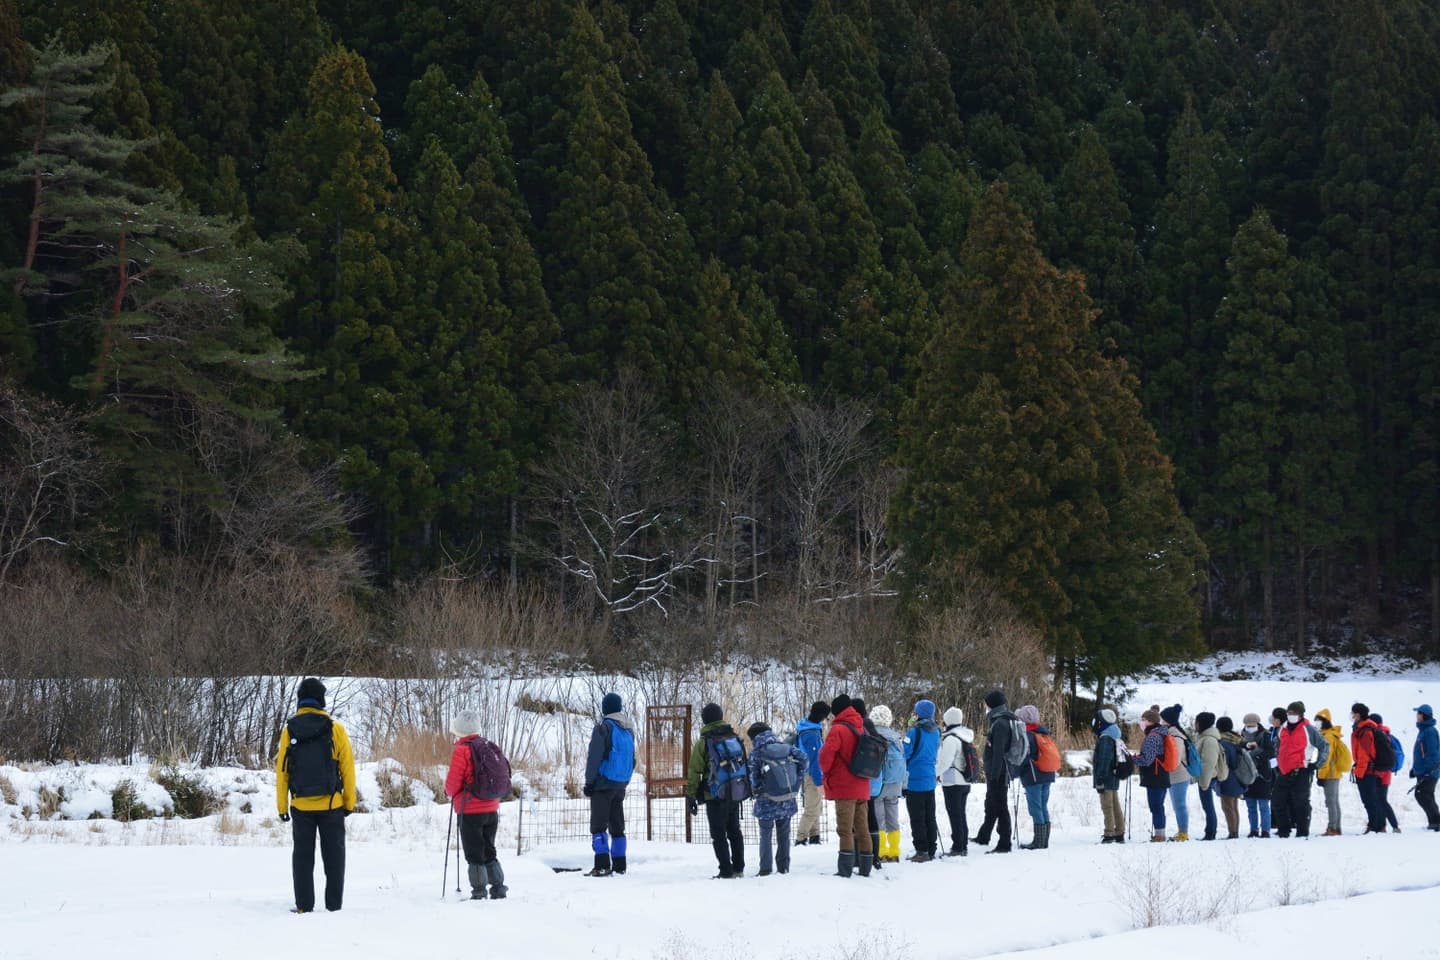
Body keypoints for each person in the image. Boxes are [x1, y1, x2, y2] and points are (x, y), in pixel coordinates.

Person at [275, 677, 357, 914]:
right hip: (332, 804)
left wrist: (282, 806)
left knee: (302, 856)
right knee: (334, 857)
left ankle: (304, 905)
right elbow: (347, 769)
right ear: (321, 700)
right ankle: (334, 906)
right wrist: (349, 802)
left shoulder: (289, 730)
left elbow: (282, 772)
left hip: (301, 805)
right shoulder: (335, 729)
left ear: (301, 699)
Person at [445, 710, 510, 899]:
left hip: (470, 810)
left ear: (458, 729)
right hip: (491, 808)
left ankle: (479, 891)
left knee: (474, 852)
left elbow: (453, 783)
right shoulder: (488, 745)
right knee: (489, 848)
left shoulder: (462, 750)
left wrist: (448, 792)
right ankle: (498, 887)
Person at [687, 702, 747, 878]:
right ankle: (739, 868)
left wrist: (690, 794)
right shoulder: (733, 737)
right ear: (720, 717)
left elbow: (694, 770)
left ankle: (726, 870)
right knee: (735, 831)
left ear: (705, 720)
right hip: (735, 792)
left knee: (718, 834)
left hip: (714, 794)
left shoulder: (704, 742)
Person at [818, 694, 875, 877]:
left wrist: (827, 773)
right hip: (862, 784)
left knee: (845, 829)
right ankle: (866, 867)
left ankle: (845, 869)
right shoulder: (862, 726)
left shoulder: (838, 729)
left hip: (845, 787)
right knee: (862, 828)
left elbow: (825, 758)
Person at [583, 691, 636, 876]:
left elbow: (594, 758)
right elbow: (633, 760)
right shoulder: (628, 729)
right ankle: (620, 865)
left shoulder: (603, 728)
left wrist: (589, 782)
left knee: (598, 826)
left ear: (605, 708)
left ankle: (602, 864)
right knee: (617, 826)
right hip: (620, 784)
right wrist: (625, 780)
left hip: (602, 784)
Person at [746, 721, 807, 876]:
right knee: (784, 834)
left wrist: (758, 790)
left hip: (766, 801)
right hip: (787, 798)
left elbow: (753, 777)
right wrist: (796, 783)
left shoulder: (757, 753)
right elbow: (804, 759)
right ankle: (783, 867)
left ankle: (765, 869)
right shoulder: (787, 748)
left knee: (765, 834)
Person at [972, 689, 1017, 854]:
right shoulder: (999, 719)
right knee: (991, 804)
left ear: (992, 704)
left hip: (998, 773)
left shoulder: (1000, 724)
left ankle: (1005, 843)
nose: (984, 706)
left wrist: (994, 774)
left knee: (1000, 806)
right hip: (997, 771)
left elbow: (998, 751)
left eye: (986, 704)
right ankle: (983, 836)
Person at [1272, 700, 1322, 838]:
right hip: (1283, 771)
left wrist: (1316, 764)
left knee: (1301, 803)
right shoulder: (1283, 728)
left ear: (1300, 714)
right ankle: (1284, 830)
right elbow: (1277, 745)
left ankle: (1302, 831)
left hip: (1301, 770)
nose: (1290, 715)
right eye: (1288, 712)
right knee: (1277, 802)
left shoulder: (1309, 729)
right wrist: (1277, 761)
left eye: (1293, 713)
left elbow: (1324, 746)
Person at [903, 699, 940, 862]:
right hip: (930, 777)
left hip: (915, 779)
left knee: (917, 816)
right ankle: (931, 847)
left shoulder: (914, 732)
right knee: (929, 815)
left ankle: (921, 849)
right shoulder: (936, 731)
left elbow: (905, 753)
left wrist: (909, 728)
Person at [936, 706, 976, 855]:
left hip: (953, 782)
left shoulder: (951, 739)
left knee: (955, 815)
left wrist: (934, 774)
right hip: (964, 781)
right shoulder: (965, 735)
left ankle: (958, 846)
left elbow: (945, 763)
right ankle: (962, 843)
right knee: (960, 814)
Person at [1016, 704, 1056, 850]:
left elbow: (1023, 757)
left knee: (1035, 808)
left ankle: (1038, 842)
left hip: (1033, 777)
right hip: (1048, 774)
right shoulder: (1043, 733)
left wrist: (1016, 771)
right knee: (1043, 806)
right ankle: (1044, 840)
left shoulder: (1027, 735)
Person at [869, 704, 906, 863]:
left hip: (878, 783)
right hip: (895, 783)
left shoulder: (872, 736)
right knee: (893, 818)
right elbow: (904, 761)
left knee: (879, 819)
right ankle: (894, 851)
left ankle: (881, 852)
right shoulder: (896, 738)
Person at [1351, 703, 1390, 834]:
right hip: (1366, 770)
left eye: (1353, 713)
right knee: (1370, 799)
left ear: (1358, 714)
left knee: (1369, 800)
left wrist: (1359, 771)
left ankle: (1375, 826)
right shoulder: (1361, 729)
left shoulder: (1365, 731)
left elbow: (1365, 754)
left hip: (1367, 771)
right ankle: (1376, 825)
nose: (1351, 715)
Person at [794, 701, 830, 845]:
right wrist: (819, 782)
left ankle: (815, 836)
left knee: (816, 806)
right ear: (822, 716)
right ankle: (800, 838)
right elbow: (814, 761)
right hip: (813, 774)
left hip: (809, 773)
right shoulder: (812, 734)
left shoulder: (806, 728)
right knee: (811, 809)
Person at [1314, 708, 1353, 836]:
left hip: (1330, 773)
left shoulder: (1328, 737)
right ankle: (1336, 827)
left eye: (1319, 720)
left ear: (1325, 721)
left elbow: (1326, 757)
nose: (1316, 722)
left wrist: (1321, 775)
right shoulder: (1329, 735)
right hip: (1334, 772)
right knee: (1334, 801)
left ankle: (1332, 828)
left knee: (1331, 801)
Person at [1135, 707, 1171, 842]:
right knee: (1158, 805)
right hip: (1161, 774)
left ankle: (1160, 835)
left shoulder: (1152, 737)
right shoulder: (1160, 734)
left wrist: (1132, 759)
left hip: (1155, 776)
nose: (1141, 722)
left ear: (1151, 721)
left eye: (1144, 720)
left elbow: (1147, 759)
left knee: (1155, 806)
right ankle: (1160, 833)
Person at [1092, 707, 1127, 843]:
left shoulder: (1106, 738)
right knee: (1114, 804)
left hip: (1106, 777)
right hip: (1113, 776)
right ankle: (1119, 831)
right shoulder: (1114, 735)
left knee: (1107, 806)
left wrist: (1100, 778)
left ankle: (1109, 834)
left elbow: (1104, 760)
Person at [1159, 704, 1192, 841]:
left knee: (1180, 805)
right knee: (1177, 804)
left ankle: (1183, 833)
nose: (1161, 722)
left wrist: (1163, 764)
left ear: (1168, 721)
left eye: (1162, 720)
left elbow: (1175, 759)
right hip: (1174, 775)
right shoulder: (1171, 734)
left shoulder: (1176, 736)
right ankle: (1181, 832)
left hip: (1179, 775)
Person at [1240, 712, 1274, 837]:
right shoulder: (1241, 736)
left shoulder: (1265, 735)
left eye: (1252, 725)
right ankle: (1253, 829)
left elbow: (1271, 752)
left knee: (1264, 805)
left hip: (1263, 775)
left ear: (1257, 724)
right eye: (1248, 725)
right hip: (1247, 775)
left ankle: (1265, 830)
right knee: (1251, 805)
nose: (1250, 727)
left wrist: (1256, 751)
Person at [1194, 711, 1225, 841]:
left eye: (1196, 722)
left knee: (1208, 806)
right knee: (1207, 805)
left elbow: (1209, 762)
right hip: (1204, 777)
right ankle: (1210, 831)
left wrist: (1204, 782)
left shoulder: (1209, 740)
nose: (1194, 724)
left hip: (1208, 777)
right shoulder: (1204, 737)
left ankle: (1210, 832)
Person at [1369, 714, 1402, 832]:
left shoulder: (1379, 735)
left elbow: (1380, 756)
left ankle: (1394, 826)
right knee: (1380, 799)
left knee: (1381, 800)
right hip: (1386, 774)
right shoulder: (1385, 734)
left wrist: (1377, 771)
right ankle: (1381, 826)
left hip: (1380, 773)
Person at [1214, 717, 1244, 839]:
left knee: (1227, 806)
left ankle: (1232, 832)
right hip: (1237, 777)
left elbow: (1225, 762)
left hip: (1227, 777)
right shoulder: (1236, 739)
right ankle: (1235, 830)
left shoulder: (1223, 743)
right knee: (1234, 806)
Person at [1412, 704, 1440, 831]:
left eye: (1418, 713)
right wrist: (1415, 769)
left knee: (1422, 795)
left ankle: (1436, 822)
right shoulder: (1423, 731)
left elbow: (1433, 753)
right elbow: (1420, 753)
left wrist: (1429, 770)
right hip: (1423, 771)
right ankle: (1433, 822)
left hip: (1429, 771)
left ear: (1424, 715)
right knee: (1426, 795)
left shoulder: (1429, 732)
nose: (1417, 715)